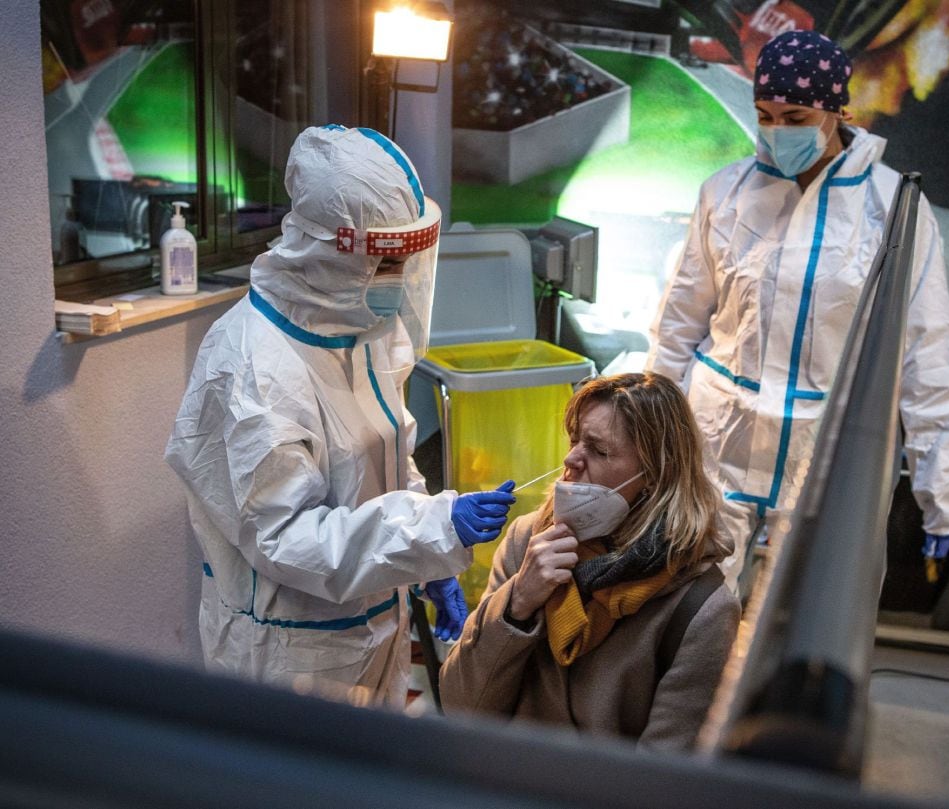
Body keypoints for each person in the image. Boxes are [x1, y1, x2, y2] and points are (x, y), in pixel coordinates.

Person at [164, 125, 516, 708]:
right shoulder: (252, 367)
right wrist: (431, 531)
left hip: (375, 625)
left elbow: (391, 455)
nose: (397, 280)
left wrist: (428, 558)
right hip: (291, 655)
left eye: (405, 260)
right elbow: (284, 537)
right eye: (384, 263)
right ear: (331, 253)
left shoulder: (362, 330)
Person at [645, 29, 949, 592]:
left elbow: (928, 358)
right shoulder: (725, 193)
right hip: (718, 441)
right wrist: (648, 441)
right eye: (765, 114)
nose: (777, 131)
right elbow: (678, 325)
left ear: (837, 110)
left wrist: (941, 495)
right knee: (691, 613)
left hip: (823, 455)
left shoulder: (894, 208)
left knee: (795, 626)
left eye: (795, 117)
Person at [440, 372, 740, 752]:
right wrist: (517, 605)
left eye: (599, 451)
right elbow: (461, 706)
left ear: (657, 474)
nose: (570, 459)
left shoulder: (701, 610)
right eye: (575, 439)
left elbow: (665, 778)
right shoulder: (528, 542)